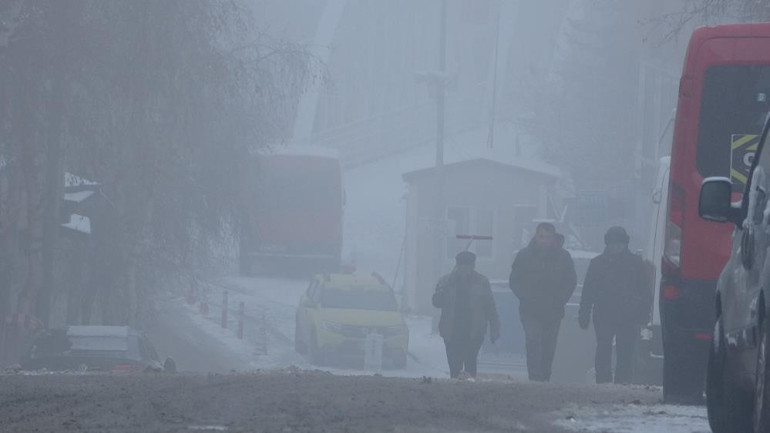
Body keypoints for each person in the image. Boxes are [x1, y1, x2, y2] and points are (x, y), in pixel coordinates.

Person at [578, 226, 651, 384]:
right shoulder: (597, 263)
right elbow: (588, 290)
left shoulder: (635, 263)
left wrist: (644, 313)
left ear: (625, 244)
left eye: (619, 243)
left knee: (625, 350)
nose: (616, 247)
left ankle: (622, 382)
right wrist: (584, 313)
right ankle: (603, 381)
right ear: (607, 244)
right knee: (603, 347)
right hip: (603, 314)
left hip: (628, 315)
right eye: (612, 243)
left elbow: (644, 290)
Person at [509, 222, 576, 382]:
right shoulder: (524, 256)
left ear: (553, 238)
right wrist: (526, 297)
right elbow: (515, 281)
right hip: (530, 309)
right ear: (536, 236)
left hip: (553, 310)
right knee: (533, 340)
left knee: (548, 345)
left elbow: (570, 281)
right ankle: (535, 377)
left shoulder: (563, 257)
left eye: (548, 237)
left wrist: (560, 299)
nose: (544, 240)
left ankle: (545, 377)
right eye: (541, 237)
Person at [432, 251, 501, 379]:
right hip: (451, 332)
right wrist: (441, 292)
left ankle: (470, 387)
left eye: (467, 266)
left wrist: (494, 328)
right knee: (454, 368)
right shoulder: (446, 281)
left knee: (470, 365)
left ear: (473, 266)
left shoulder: (482, 282)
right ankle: (455, 387)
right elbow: (437, 303)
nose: (464, 269)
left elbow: (490, 307)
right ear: (457, 265)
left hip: (474, 332)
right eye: (461, 265)